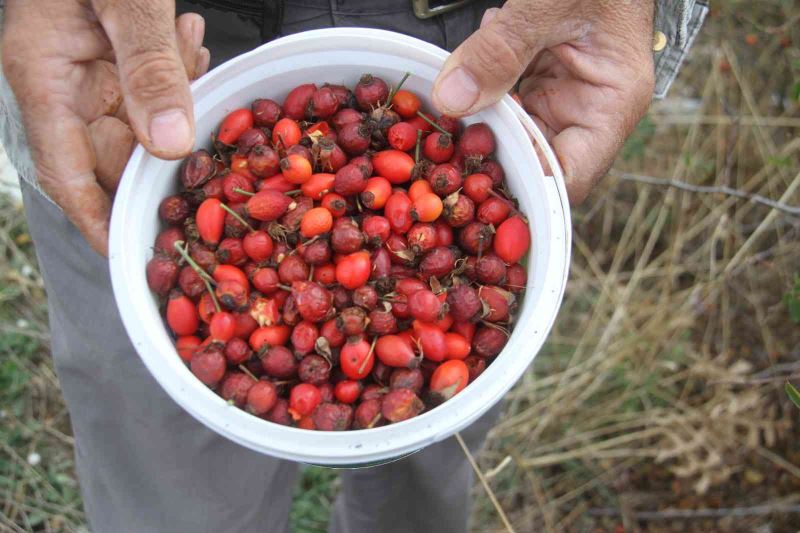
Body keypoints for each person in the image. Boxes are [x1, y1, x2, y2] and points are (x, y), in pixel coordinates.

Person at [0, 1, 706, 532]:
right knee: (162, 466)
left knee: (428, 469)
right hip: (143, 50)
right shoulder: (370, 242)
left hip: (490, 33)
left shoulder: (352, 245)